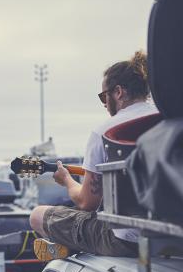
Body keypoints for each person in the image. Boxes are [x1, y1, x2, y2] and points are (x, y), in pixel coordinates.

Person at [30, 51, 158, 260]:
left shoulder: (105, 132)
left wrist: (67, 181)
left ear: (118, 92)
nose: (104, 104)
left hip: (125, 241)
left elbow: (86, 203)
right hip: (170, 236)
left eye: (103, 96)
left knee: (37, 216)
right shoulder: (169, 122)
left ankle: (67, 246)